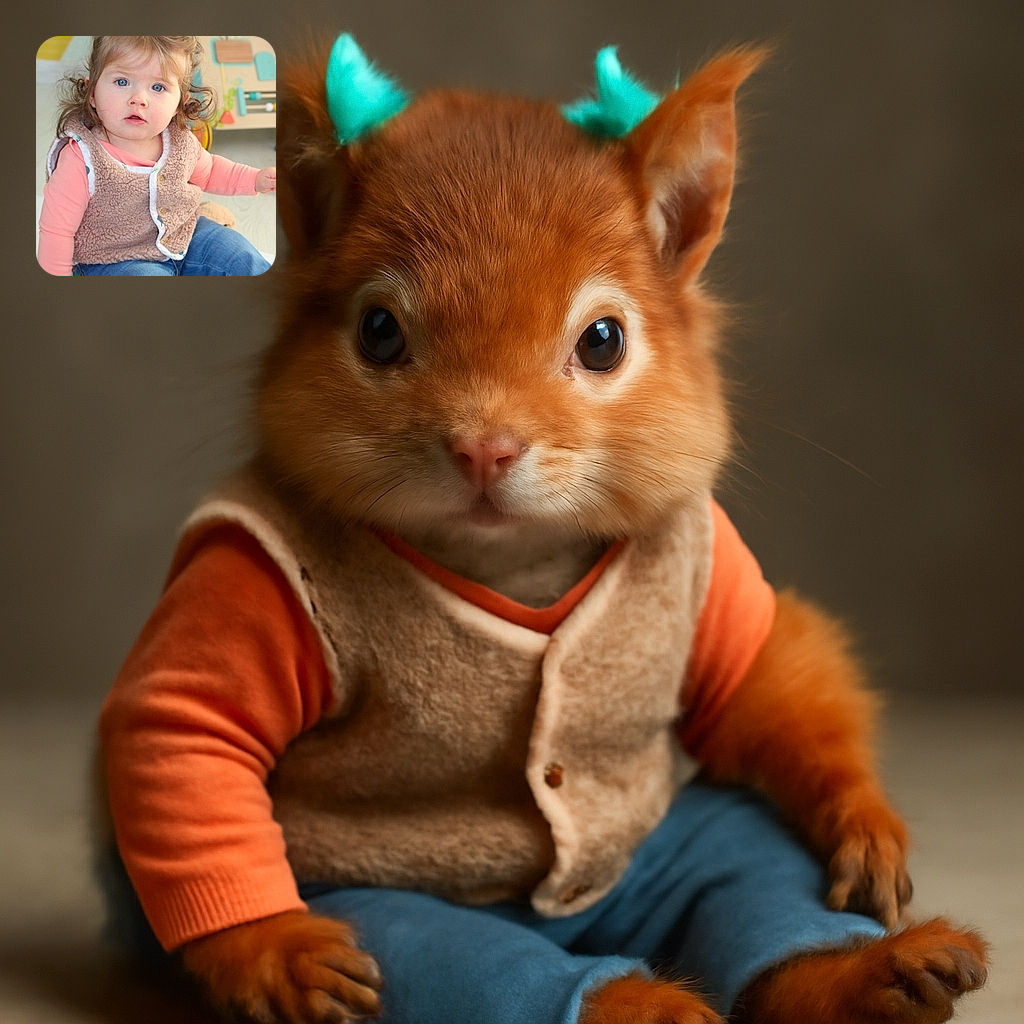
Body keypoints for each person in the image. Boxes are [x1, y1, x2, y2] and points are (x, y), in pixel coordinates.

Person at [38, 35, 276, 276]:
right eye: (122, 82)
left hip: (182, 235)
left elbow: (211, 170)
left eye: (158, 87)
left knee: (239, 253)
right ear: (92, 93)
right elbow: (57, 231)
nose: (138, 99)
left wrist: (254, 179)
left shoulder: (179, 141)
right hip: (113, 259)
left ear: (179, 104)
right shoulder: (81, 158)